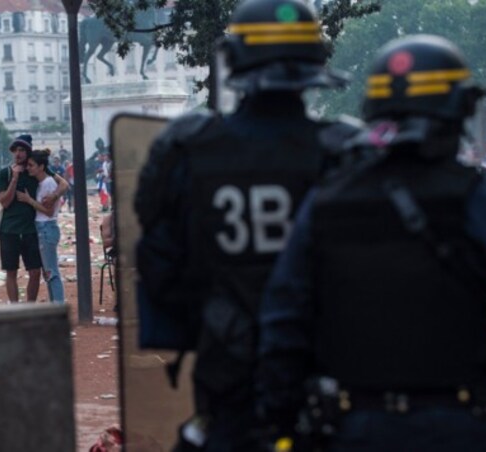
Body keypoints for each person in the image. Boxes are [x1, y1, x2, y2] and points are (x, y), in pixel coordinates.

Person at [257, 35, 486, 451]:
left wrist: (280, 418)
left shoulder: (327, 202)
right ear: (457, 110)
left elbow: (284, 317)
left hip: (353, 424)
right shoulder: (476, 201)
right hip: (458, 423)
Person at [133, 0, 350, 449]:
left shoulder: (188, 149)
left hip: (225, 365)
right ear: (315, 60)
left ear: (233, 58)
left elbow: (156, 261)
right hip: (326, 364)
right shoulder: (343, 153)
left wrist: (212, 313)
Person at [0, 134, 69, 303]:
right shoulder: (5, 173)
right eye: (15, 150)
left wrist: (54, 196)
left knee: (35, 271)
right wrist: (14, 178)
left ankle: (30, 308)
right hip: (9, 230)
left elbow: (63, 184)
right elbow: (5, 202)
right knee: (11, 271)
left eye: (22, 150)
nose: (18, 154)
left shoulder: (35, 169)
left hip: (31, 230)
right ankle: (15, 309)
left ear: (28, 152)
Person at [16, 149, 66, 305]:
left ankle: (58, 305)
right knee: (48, 272)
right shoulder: (44, 183)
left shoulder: (48, 183)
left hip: (46, 227)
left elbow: (49, 212)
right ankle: (55, 304)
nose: (29, 168)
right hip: (44, 228)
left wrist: (28, 200)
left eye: (32, 165)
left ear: (41, 167)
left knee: (52, 272)